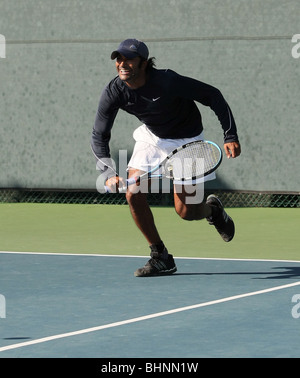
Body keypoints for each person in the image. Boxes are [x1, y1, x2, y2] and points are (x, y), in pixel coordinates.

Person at [91, 38, 241, 277]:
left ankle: (212, 211)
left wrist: (230, 135)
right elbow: (99, 134)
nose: (122, 63)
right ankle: (160, 256)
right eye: (118, 59)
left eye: (128, 58)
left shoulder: (167, 81)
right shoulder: (114, 91)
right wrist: (108, 172)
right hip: (153, 138)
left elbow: (213, 95)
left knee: (186, 212)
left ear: (144, 62)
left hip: (188, 141)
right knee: (133, 193)